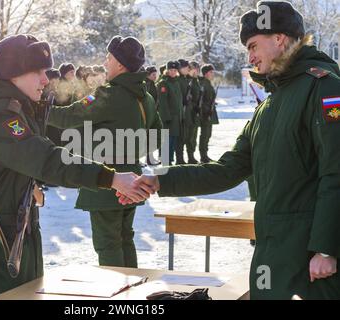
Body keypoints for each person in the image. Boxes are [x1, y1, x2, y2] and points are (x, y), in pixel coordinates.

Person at [123, 0, 340, 300]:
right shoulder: (269, 104)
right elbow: (229, 168)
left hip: (311, 260)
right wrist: (161, 178)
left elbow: (336, 172)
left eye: (253, 46)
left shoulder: (324, 88)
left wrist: (327, 247)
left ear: (279, 38)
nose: (249, 56)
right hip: (273, 252)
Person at [0, 34, 150, 300]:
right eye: (38, 72)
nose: (46, 80)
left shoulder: (17, 110)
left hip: (17, 233)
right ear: (13, 74)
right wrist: (109, 178)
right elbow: (47, 159)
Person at [48, 35, 162, 268]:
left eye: (109, 57)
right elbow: (157, 134)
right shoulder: (146, 96)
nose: (105, 61)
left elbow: (70, 116)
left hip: (107, 178)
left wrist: (41, 110)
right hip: (133, 174)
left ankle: (117, 296)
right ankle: (132, 292)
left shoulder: (107, 94)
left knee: (108, 243)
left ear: (120, 63)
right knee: (125, 237)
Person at [157, 61, 182, 164]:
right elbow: (163, 102)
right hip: (167, 117)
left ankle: (170, 159)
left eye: (175, 70)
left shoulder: (176, 82)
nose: (173, 72)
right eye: (171, 70)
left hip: (176, 117)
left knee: (173, 139)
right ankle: (165, 160)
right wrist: (166, 117)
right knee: (167, 139)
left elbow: (179, 100)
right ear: (167, 71)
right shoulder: (163, 83)